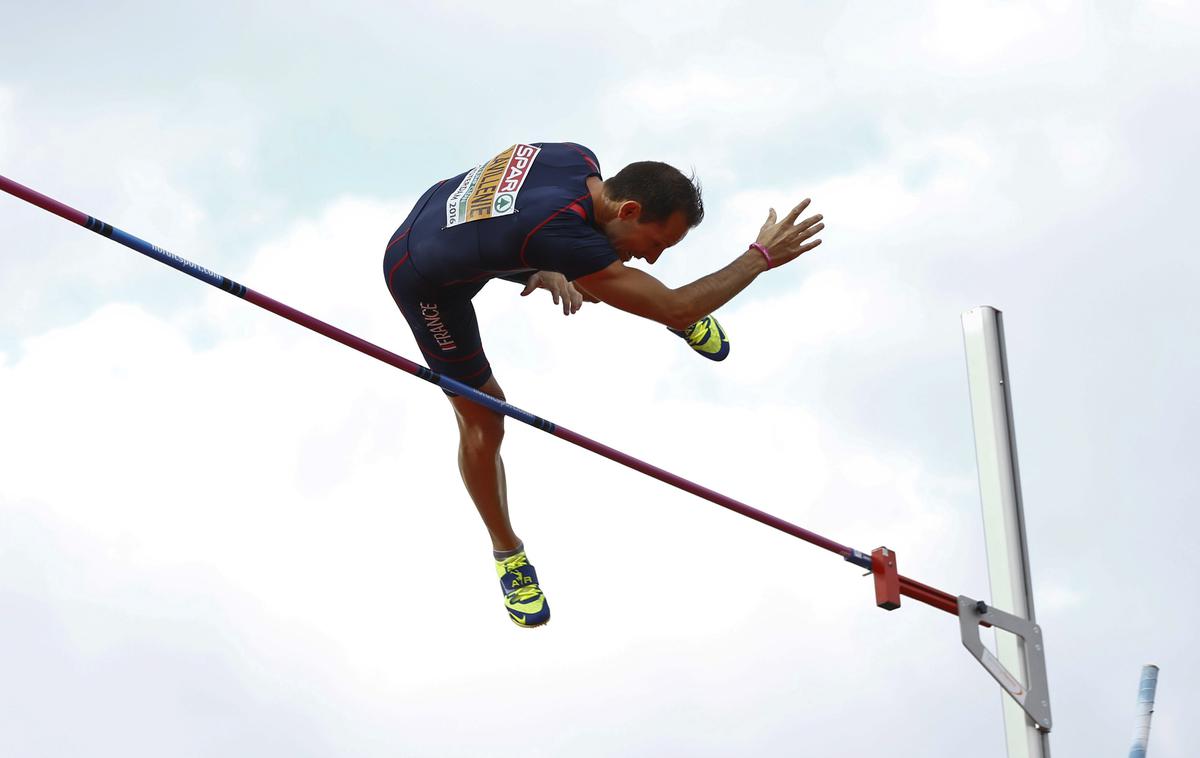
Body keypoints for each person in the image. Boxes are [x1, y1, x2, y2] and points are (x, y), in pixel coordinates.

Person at [383, 142, 824, 628]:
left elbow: (529, 213)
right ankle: (508, 554)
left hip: (474, 221)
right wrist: (759, 257)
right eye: (656, 244)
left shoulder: (578, 159)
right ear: (629, 208)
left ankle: (634, 296)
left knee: (592, 267)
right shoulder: (560, 231)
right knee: (485, 415)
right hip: (422, 272)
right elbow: (652, 288)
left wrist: (546, 261)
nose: (652, 259)